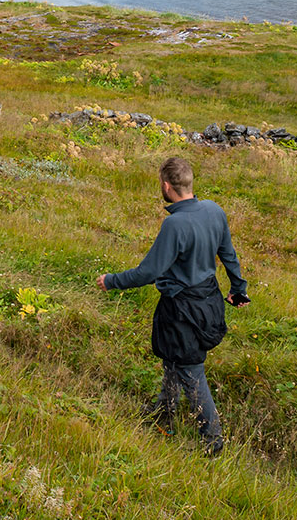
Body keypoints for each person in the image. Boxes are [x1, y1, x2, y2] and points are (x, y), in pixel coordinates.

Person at [96, 156, 249, 456]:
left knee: (191, 370)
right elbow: (228, 255)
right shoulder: (215, 211)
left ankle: (213, 441)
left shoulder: (174, 224)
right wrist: (239, 289)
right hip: (209, 301)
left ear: (166, 186)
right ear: (190, 182)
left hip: (182, 310)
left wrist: (111, 281)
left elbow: (148, 272)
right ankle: (163, 410)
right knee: (172, 358)